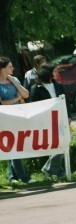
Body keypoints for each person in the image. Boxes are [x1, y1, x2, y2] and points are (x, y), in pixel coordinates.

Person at [30, 63, 72, 180]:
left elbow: (66, 102)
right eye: (55, 71)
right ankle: (58, 172)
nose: (57, 73)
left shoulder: (58, 85)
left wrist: (69, 116)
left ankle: (49, 169)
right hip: (45, 122)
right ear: (48, 73)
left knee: (63, 143)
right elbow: (33, 106)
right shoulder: (36, 88)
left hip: (60, 119)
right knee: (54, 145)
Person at [0, 56, 34, 184]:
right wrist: (15, 99)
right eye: (10, 66)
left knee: (14, 145)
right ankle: (24, 177)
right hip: (5, 118)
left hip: (18, 116)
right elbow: (2, 103)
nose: (13, 68)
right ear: (2, 69)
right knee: (14, 146)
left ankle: (12, 177)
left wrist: (13, 81)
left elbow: (25, 94)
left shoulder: (14, 79)